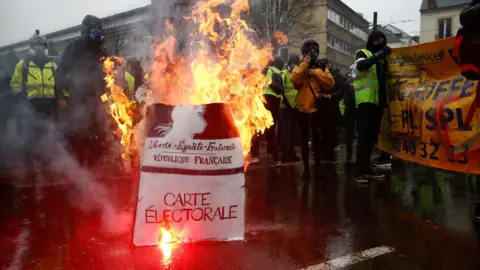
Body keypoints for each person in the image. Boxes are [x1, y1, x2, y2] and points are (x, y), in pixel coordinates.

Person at [55, 15, 109, 170]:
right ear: (86, 30)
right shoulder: (73, 47)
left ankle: (93, 172)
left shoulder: (102, 51)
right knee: (77, 136)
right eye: (94, 29)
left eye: (99, 29)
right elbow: (60, 73)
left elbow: (107, 77)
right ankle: (77, 172)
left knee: (99, 139)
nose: (97, 32)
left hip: (97, 102)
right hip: (76, 100)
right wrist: (62, 94)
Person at [10, 31, 59, 179]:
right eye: (36, 45)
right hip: (30, 110)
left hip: (48, 110)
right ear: (31, 46)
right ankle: (30, 176)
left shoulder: (52, 66)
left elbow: (59, 85)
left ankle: (47, 172)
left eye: (41, 45)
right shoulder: (23, 64)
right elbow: (15, 84)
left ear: (45, 47)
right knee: (30, 144)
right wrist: (21, 98)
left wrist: (62, 100)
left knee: (47, 143)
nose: (39, 48)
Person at [351, 31, 392, 183]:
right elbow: (361, 65)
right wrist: (380, 54)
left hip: (378, 104)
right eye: (377, 40)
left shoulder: (382, 60)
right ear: (371, 41)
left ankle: (367, 168)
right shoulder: (363, 53)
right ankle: (359, 171)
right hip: (365, 103)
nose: (380, 42)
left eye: (383, 40)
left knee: (371, 139)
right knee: (364, 138)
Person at [291, 38, 335, 179]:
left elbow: (330, 84)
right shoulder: (300, 64)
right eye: (310, 49)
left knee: (318, 139)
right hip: (302, 109)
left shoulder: (322, 66)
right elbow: (294, 78)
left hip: (317, 109)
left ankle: (317, 165)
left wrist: (315, 72)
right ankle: (306, 168)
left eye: (315, 49)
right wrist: (306, 63)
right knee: (304, 140)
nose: (313, 51)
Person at [263, 56, 285, 164]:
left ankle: (273, 154)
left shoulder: (270, 70)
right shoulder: (281, 73)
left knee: (268, 128)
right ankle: (273, 153)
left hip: (268, 99)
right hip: (277, 101)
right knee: (274, 127)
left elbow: (265, 83)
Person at [279, 54, 300, 163]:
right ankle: (284, 155)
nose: (295, 66)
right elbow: (280, 89)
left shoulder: (296, 75)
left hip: (294, 107)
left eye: (296, 64)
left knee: (293, 132)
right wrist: (285, 101)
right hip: (285, 107)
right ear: (289, 63)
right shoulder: (284, 74)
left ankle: (292, 153)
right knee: (286, 132)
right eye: (293, 63)